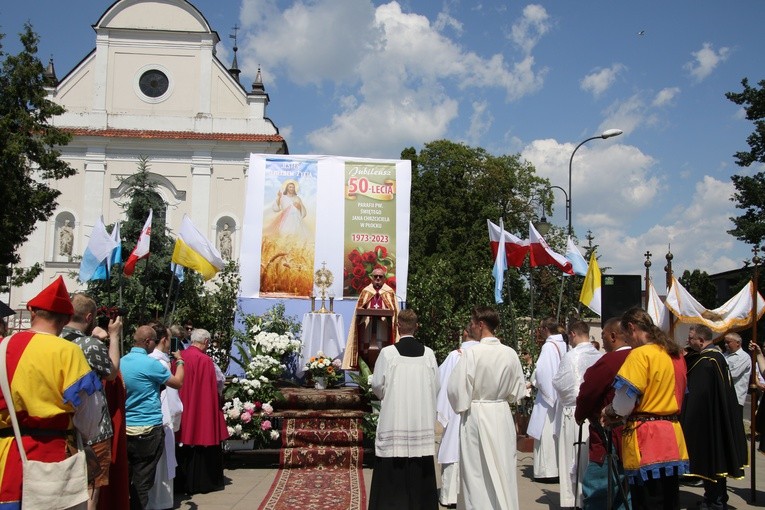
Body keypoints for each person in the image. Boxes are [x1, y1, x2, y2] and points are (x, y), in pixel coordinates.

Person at [0, 276, 104, 508]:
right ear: (66, 319)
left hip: (4, 456)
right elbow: (90, 417)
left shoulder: (3, 346)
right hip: (53, 460)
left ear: (32, 313)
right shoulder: (68, 352)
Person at [602, 307, 689, 510]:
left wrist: (609, 411)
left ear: (632, 328)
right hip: (672, 434)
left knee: (648, 501)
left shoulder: (640, 355)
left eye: (626, 336)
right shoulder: (674, 355)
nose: (627, 343)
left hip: (648, 439)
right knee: (669, 499)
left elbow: (623, 404)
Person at [447, 306, 526, 510]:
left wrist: (463, 405)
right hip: (501, 414)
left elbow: (456, 390)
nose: (470, 327)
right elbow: (517, 391)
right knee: (504, 469)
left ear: (481, 325)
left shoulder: (472, 354)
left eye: (472, 323)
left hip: (477, 415)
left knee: (476, 473)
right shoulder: (510, 353)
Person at [368, 309, 439, 509]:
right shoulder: (429, 354)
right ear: (416, 327)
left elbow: (377, 387)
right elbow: (436, 387)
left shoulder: (388, 354)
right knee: (420, 470)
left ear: (397, 326)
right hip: (420, 424)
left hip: (395, 421)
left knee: (393, 472)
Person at [61, 293, 123, 510]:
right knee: (91, 486)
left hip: (60, 425)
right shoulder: (89, 344)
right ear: (89, 317)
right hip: (91, 429)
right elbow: (112, 373)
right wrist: (114, 336)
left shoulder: (53, 339)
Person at [681, 324, 747, 509]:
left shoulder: (707, 362)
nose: (688, 340)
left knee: (714, 462)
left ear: (701, 340)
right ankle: (713, 499)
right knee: (715, 462)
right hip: (714, 419)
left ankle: (716, 503)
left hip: (708, 421)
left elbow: (696, 396)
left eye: (691, 337)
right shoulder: (714, 357)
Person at [122, 325, 185, 510]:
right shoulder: (151, 364)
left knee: (129, 477)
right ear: (149, 341)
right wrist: (180, 362)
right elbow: (177, 383)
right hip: (148, 426)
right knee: (143, 480)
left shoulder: (123, 360)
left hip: (128, 425)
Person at [575, 318, 632, 510]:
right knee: (624, 492)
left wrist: (580, 413)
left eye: (604, 335)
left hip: (610, 434)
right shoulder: (640, 356)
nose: (603, 340)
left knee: (598, 490)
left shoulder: (610, 360)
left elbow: (588, 391)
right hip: (633, 434)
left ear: (613, 336)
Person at [552, 320, 602, 509]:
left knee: (573, 458)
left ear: (573, 334)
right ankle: (589, 497)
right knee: (588, 459)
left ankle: (574, 500)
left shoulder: (571, 356)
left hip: (574, 411)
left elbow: (561, 384)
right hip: (595, 414)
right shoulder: (599, 355)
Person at [175, 328, 230, 495]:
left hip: (181, 405)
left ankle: (180, 483)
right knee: (201, 440)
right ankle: (203, 483)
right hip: (200, 407)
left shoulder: (178, 358)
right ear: (206, 342)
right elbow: (217, 385)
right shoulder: (205, 361)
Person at [435, 325, 479, 507]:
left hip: (456, 411)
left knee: (453, 446)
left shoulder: (455, 356)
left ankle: (450, 496)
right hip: (478, 410)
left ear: (465, 334)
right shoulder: (483, 354)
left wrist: (444, 410)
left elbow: (441, 382)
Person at [146, 323, 183, 509]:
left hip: (143, 422)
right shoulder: (161, 364)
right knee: (161, 471)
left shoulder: (145, 359)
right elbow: (173, 400)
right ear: (164, 340)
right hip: (162, 420)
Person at [527, 317, 567, 482]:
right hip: (560, 395)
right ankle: (557, 468)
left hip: (547, 398)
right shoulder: (564, 344)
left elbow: (543, 373)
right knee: (556, 434)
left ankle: (547, 471)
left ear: (545, 329)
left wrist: (534, 382)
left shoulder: (549, 347)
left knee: (546, 434)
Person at [341, 267, 399, 370]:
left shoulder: (389, 292)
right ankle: (367, 375)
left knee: (383, 350)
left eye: (380, 277)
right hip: (368, 327)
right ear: (371, 278)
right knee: (367, 350)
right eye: (375, 276)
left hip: (383, 326)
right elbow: (358, 311)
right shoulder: (366, 291)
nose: (377, 278)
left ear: (384, 278)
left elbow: (395, 313)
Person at [723, 332, 751, 428]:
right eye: (725, 342)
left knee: (734, 426)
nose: (726, 345)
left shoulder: (744, 357)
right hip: (724, 396)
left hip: (736, 398)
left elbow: (733, 374)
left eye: (728, 342)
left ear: (738, 343)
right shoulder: (724, 355)